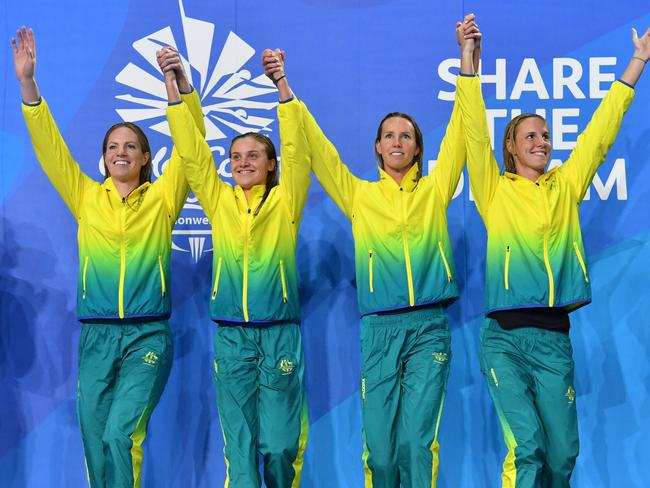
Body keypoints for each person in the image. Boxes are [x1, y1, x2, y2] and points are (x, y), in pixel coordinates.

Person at [262, 30, 478, 486]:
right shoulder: (359, 196)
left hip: (427, 329)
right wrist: (285, 90)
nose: (397, 141)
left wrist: (467, 62)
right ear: (377, 147)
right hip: (379, 329)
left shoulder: (435, 191)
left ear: (419, 147)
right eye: (388, 135)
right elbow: (319, 150)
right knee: (380, 453)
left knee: (416, 444)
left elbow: (463, 132)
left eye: (406, 135)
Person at [456, 14, 650, 487]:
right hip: (504, 337)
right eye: (531, 136)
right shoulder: (492, 189)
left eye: (545, 135)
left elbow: (602, 132)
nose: (542, 142)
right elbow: (473, 134)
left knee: (562, 457)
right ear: (511, 147)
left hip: (554, 339)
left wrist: (637, 64)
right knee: (529, 449)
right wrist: (468, 64)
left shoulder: (565, 186)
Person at [14, 27, 203, 487]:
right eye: (113, 146)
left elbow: (192, 148)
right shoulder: (85, 197)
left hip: (146, 337)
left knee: (121, 433)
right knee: (96, 440)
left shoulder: (163, 199)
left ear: (144, 158)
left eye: (130, 146)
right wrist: (27, 85)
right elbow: (50, 149)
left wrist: (178, 87)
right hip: (96, 337)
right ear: (104, 158)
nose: (121, 152)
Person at [159, 45, 311, 488]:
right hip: (232, 337)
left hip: (280, 333)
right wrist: (173, 91)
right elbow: (192, 155)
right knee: (240, 451)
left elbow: (299, 149)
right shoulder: (219, 200)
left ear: (271, 165)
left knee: (280, 449)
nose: (242, 163)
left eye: (253, 156)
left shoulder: (287, 201)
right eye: (236, 156)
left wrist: (281, 85)